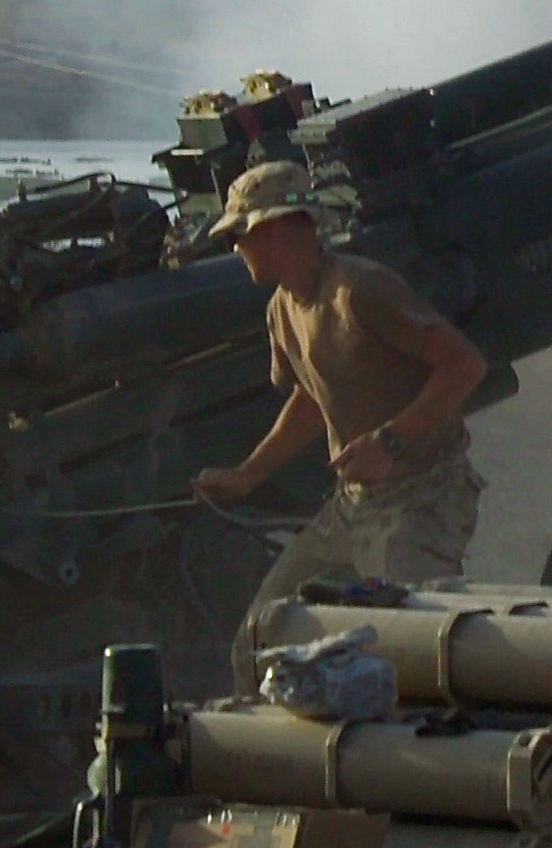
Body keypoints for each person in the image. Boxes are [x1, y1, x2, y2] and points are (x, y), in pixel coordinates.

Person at [189, 161, 490, 691]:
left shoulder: (360, 290)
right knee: (261, 640)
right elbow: (312, 394)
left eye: (243, 233)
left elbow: (465, 365)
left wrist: (391, 440)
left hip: (424, 496)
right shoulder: (282, 309)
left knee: (423, 654)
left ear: (283, 229)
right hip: (353, 505)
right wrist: (248, 475)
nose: (235, 248)